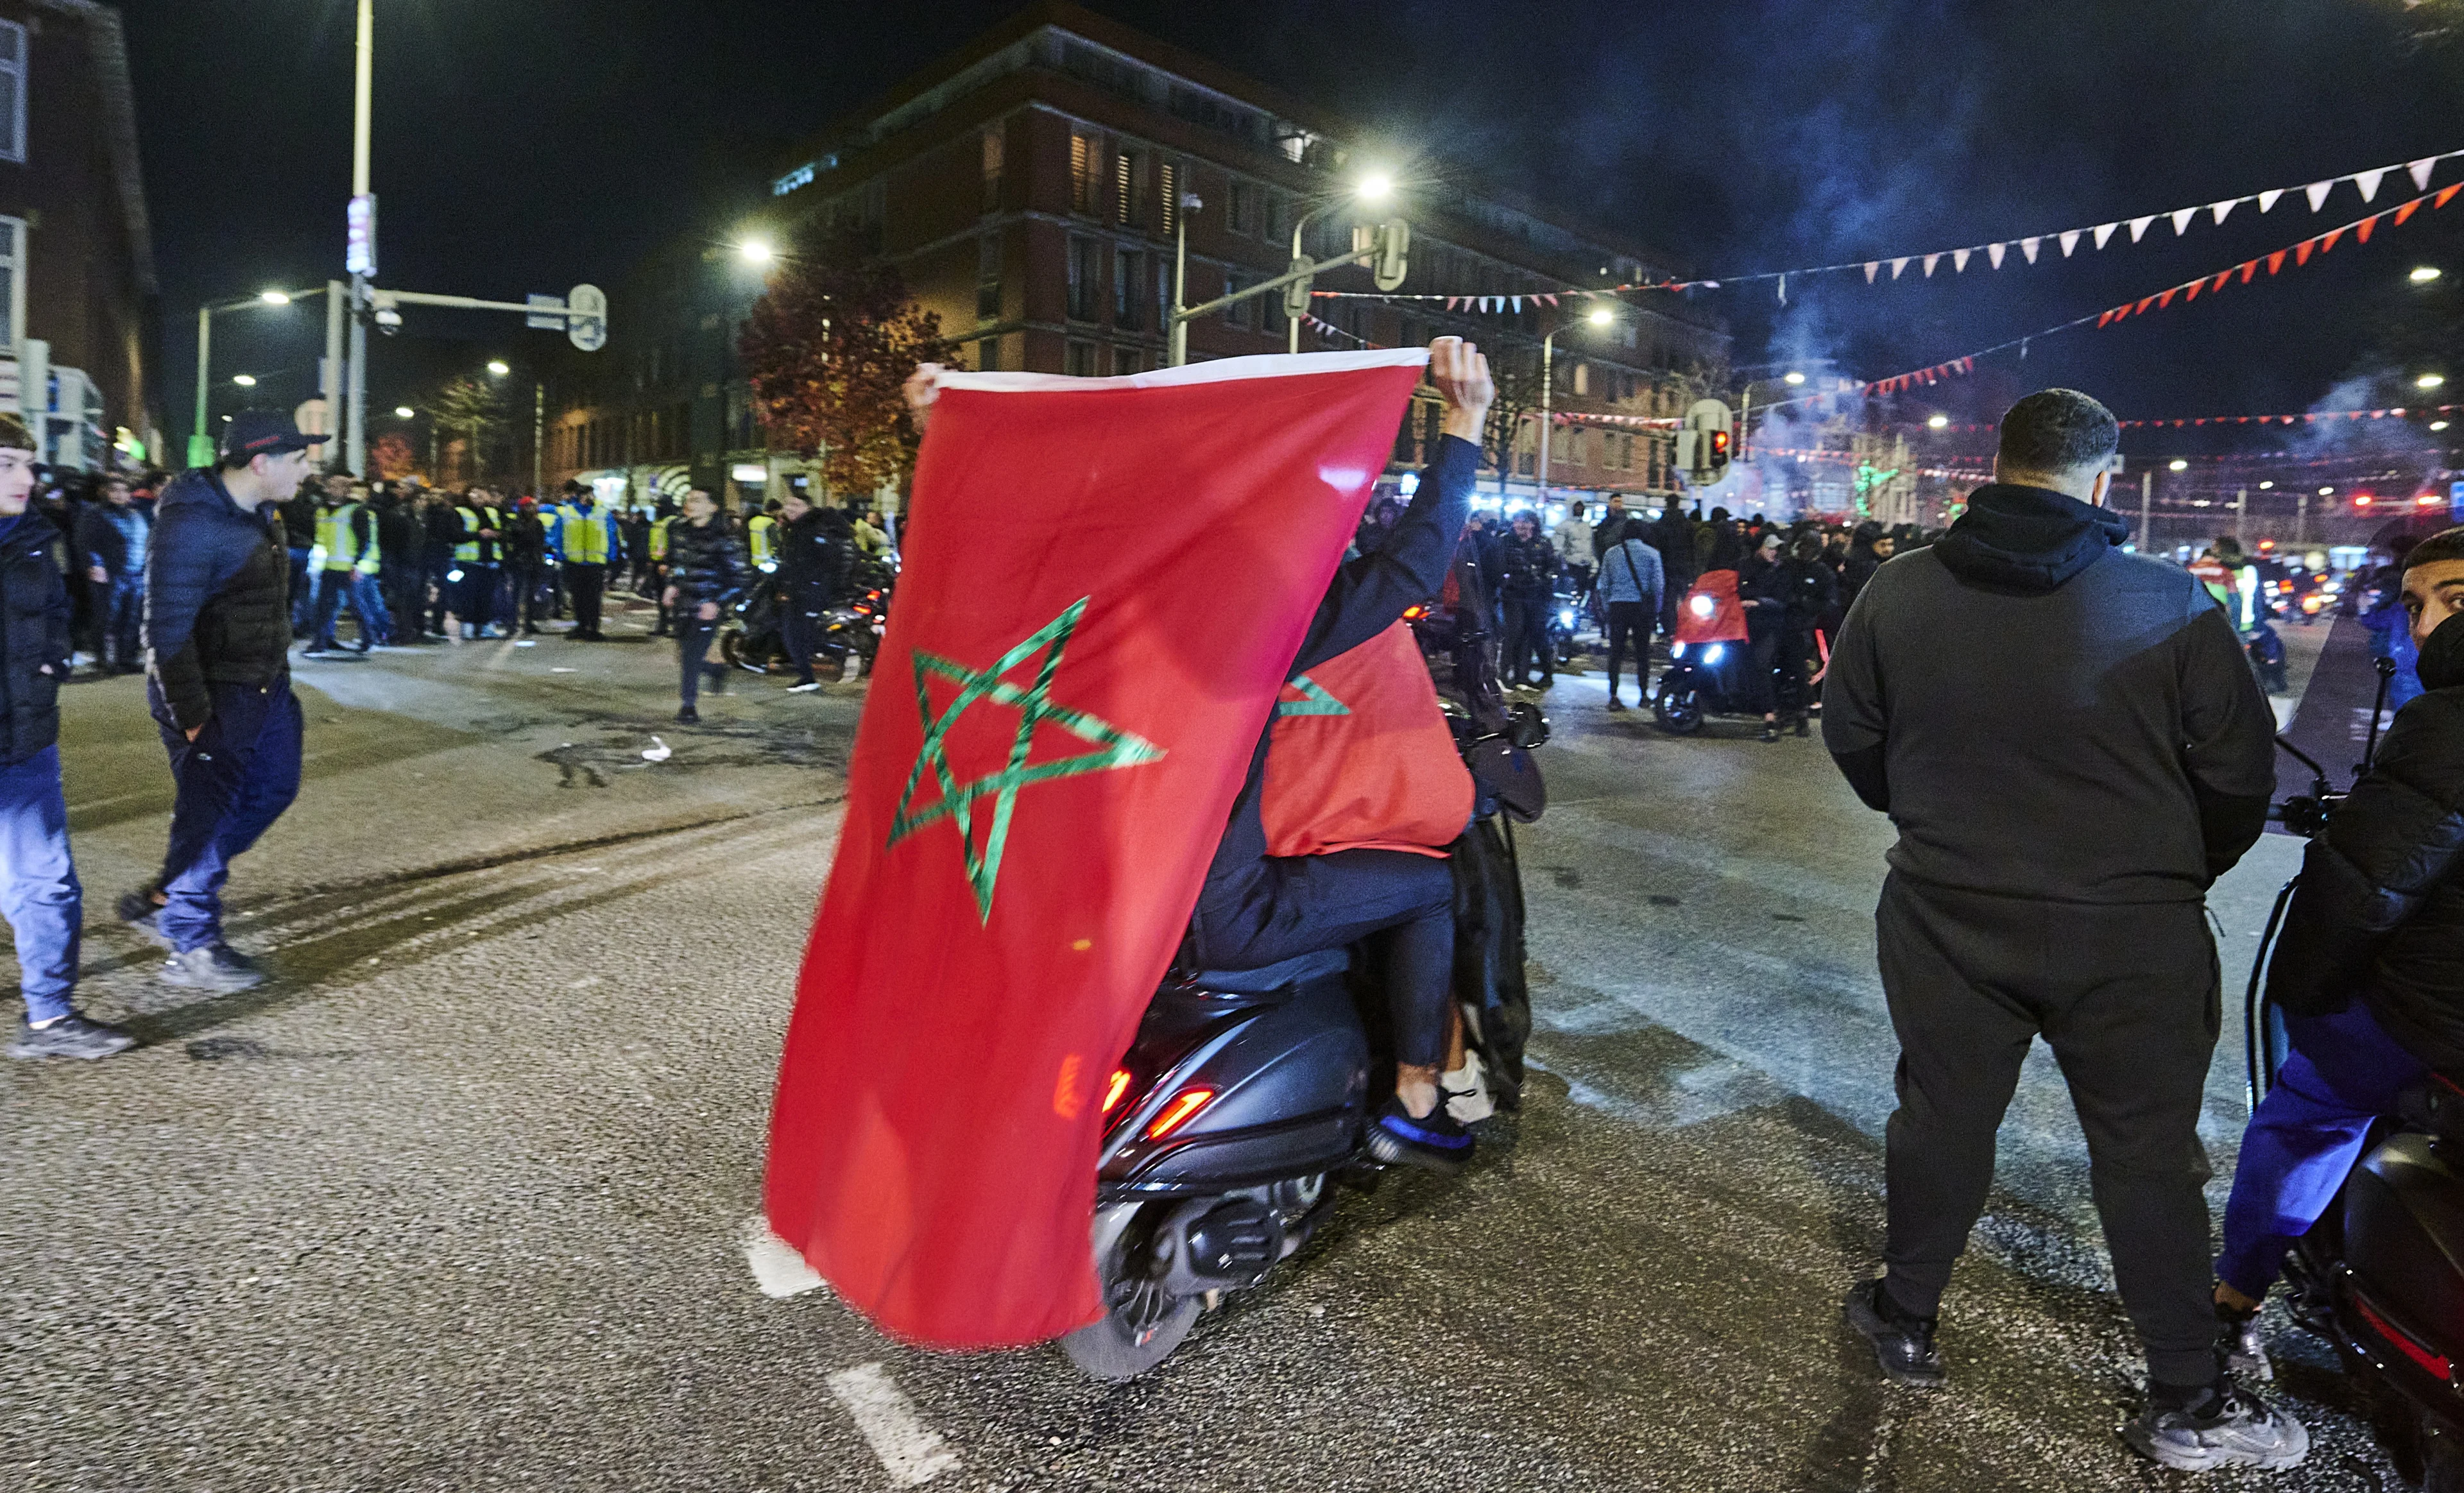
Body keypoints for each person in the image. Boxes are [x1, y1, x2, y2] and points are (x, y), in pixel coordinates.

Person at [1822, 388, 2300, 1471]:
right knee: (2145, 1158)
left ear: (2000, 464)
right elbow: (2238, 781)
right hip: (2131, 932)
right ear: (2102, 478)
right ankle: (2183, 1394)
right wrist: (2165, 868)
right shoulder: (2175, 603)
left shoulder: (1898, 592)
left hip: (1949, 909)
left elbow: (1853, 736)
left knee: (1941, 1116)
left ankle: (1905, 1315)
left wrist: (1937, 821)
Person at [1161, 339, 1493, 1171]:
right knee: (1432, 885)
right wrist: (1465, 417)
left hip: (1134, 901)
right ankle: (1416, 1093)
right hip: (1226, 912)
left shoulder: (1141, 608)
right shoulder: (1259, 617)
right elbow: (1412, 562)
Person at [2211, 527, 2464, 1381]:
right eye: (2416, 603)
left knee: (2309, 1108)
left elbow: (2364, 889)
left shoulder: (2448, 718)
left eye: (2453, 602)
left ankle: (2232, 1298)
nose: (2426, 625)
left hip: (2432, 1013)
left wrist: (2304, 990)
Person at [121, 411, 318, 995]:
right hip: (215, 693)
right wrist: (192, 718)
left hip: (265, 683)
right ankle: (190, 939)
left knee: (274, 788)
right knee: (210, 813)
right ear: (261, 463)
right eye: (299, 460)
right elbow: (167, 631)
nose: (307, 472)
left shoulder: (260, 512)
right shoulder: (193, 524)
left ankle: (173, 889)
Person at [0, 416, 130, 1059]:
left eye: (28, 463)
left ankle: (49, 1017)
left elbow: (57, 612)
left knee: (47, 881)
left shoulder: (35, 538)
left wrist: (54, 658)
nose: (26, 478)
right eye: (6, 464)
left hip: (25, 740)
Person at [663, 488, 747, 724]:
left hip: (706, 609)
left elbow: (741, 579)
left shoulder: (725, 539)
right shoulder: (679, 531)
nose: (691, 504)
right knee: (685, 657)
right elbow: (677, 564)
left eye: (698, 500)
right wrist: (672, 584)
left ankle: (688, 707)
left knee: (690, 657)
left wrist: (716, 602)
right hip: (682, 605)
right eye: (689, 499)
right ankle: (716, 670)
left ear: (713, 508)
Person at [774, 490, 852, 691]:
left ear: (807, 508)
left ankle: (810, 676)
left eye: (796, 505)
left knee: (796, 634)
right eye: (788, 505)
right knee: (797, 633)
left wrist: (812, 586)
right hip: (801, 591)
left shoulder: (813, 528)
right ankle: (807, 675)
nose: (790, 509)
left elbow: (825, 562)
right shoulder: (796, 528)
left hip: (808, 592)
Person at [74, 473, 150, 674]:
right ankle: (104, 660)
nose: (119, 494)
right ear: (106, 492)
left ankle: (126, 659)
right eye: (114, 490)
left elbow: (144, 543)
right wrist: (94, 564)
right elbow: (85, 542)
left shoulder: (135, 516)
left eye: (123, 490)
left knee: (132, 618)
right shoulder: (94, 514)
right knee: (107, 617)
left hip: (135, 575)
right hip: (109, 575)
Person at [304, 479, 387, 655]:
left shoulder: (356, 511)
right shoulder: (322, 511)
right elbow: (320, 541)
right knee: (324, 608)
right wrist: (316, 567)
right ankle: (320, 643)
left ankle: (368, 639)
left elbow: (365, 541)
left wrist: (358, 565)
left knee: (357, 607)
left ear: (346, 490)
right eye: (330, 486)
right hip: (329, 568)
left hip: (349, 569)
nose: (331, 490)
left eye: (337, 487)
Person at [1596, 515, 1663, 712]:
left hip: (1618, 605)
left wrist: (1608, 606)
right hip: (1641, 608)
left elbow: (1604, 584)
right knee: (1642, 653)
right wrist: (1656, 610)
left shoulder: (1611, 553)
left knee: (1616, 652)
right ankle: (1643, 695)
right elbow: (1658, 586)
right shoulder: (1652, 554)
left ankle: (1614, 696)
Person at [1494, 511, 1561, 691]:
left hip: (1536, 595)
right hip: (1513, 594)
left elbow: (1553, 565)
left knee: (1528, 635)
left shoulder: (1543, 543)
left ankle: (1522, 677)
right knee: (1514, 631)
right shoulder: (1505, 541)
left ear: (1533, 524)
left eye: (1524, 522)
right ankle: (1502, 675)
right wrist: (1506, 581)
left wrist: (1545, 580)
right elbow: (1499, 565)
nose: (1520, 526)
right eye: (1517, 522)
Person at [1736, 529, 1790, 742]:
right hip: (1743, 625)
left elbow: (1781, 601)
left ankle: (1770, 719)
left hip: (1769, 627)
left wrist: (1757, 603)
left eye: (1776, 548)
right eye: (1770, 547)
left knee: (1761, 665)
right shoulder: (1744, 566)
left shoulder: (1779, 571)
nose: (1774, 552)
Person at [554, 481, 617, 640]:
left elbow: (611, 536)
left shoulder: (602, 513)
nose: (588, 498)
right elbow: (559, 535)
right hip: (574, 563)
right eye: (585, 495)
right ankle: (581, 627)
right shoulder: (567, 512)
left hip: (595, 564)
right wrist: (561, 556)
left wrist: (611, 557)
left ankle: (594, 629)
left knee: (594, 598)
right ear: (579, 496)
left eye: (591, 494)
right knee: (578, 597)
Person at [1552, 499, 1595, 597]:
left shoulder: (1587, 527)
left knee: (1583, 596)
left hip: (1585, 568)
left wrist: (1594, 565)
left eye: (1581, 507)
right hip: (1570, 568)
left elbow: (1591, 548)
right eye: (1577, 507)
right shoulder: (1562, 527)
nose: (1579, 509)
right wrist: (1563, 565)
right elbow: (1557, 549)